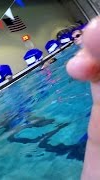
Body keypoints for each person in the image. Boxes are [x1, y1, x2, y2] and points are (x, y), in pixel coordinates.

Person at [66, 16, 100, 180]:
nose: (76, 40)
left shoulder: (90, 53)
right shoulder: (76, 58)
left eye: (78, 36)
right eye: (74, 38)